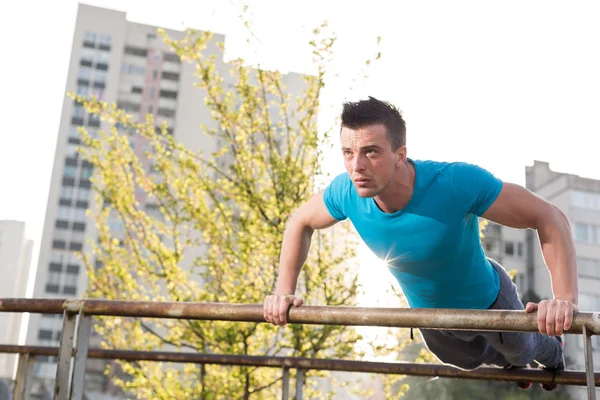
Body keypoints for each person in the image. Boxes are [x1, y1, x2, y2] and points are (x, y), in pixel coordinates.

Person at [263, 96, 578, 391]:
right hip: (431, 316)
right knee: (463, 360)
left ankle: (548, 352)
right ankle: (514, 365)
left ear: (400, 155)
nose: (356, 166)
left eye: (370, 151)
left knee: (521, 348)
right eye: (348, 152)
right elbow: (300, 222)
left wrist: (563, 299)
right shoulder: (344, 192)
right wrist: (283, 292)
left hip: (489, 298)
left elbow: (550, 217)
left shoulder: (454, 183)